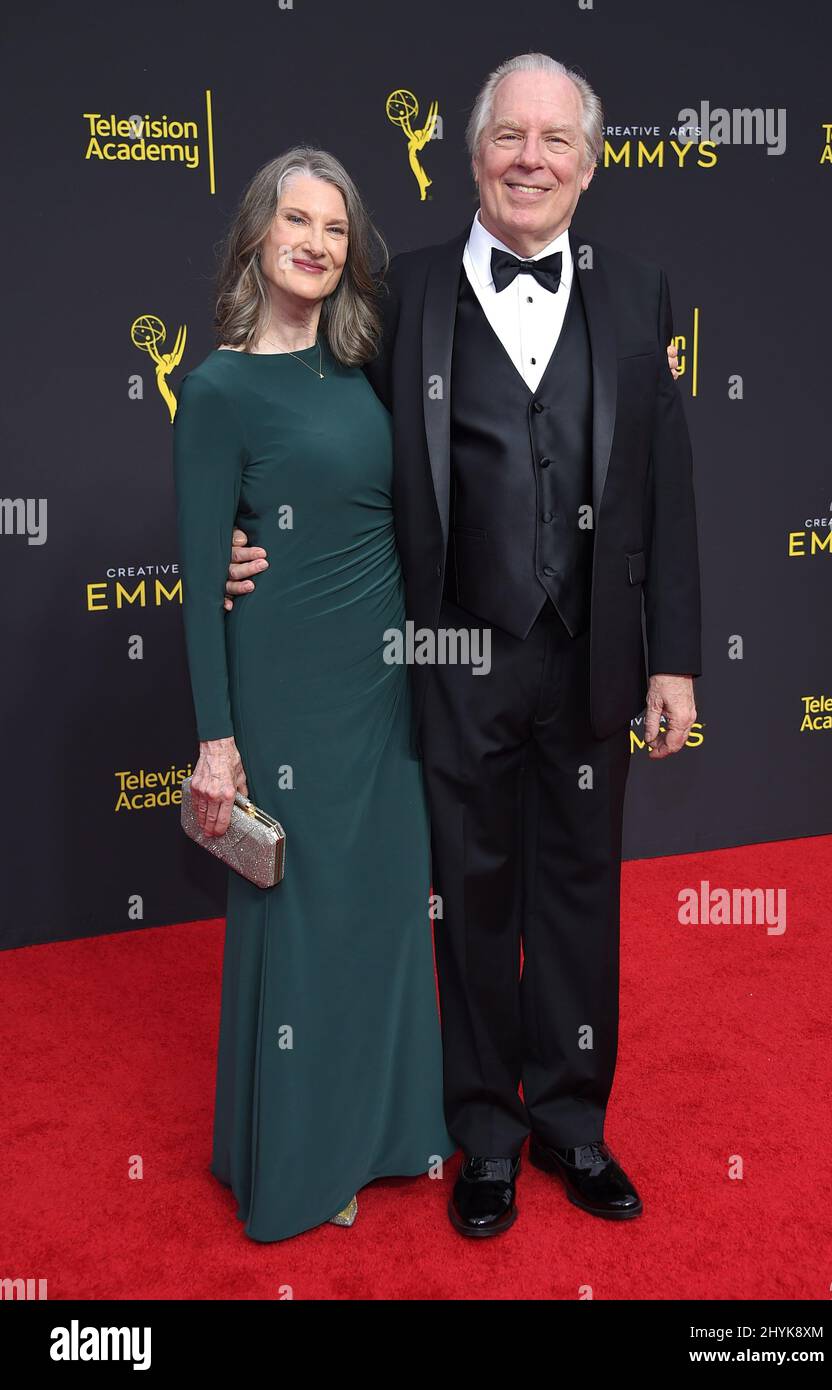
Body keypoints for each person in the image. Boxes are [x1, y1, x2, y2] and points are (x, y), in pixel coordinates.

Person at [226, 52, 700, 1239]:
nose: (530, 159)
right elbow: (312, 428)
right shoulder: (405, 294)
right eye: (508, 137)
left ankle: (573, 1126)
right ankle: (484, 1132)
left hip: (591, 653)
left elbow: (669, 492)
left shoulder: (642, 295)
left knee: (582, 897)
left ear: (590, 166)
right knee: (472, 900)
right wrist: (244, 527)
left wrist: (673, 656)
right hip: (450, 654)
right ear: (472, 152)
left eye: (556, 141)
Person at [172, 147, 453, 1243]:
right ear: (256, 234)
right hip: (284, 689)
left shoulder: (363, 365)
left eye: (335, 228)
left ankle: (385, 1131)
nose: (318, 243)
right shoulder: (218, 387)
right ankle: (297, 1159)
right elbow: (203, 582)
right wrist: (216, 744)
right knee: (300, 915)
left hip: (383, 687)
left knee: (381, 911)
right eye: (297, 219)